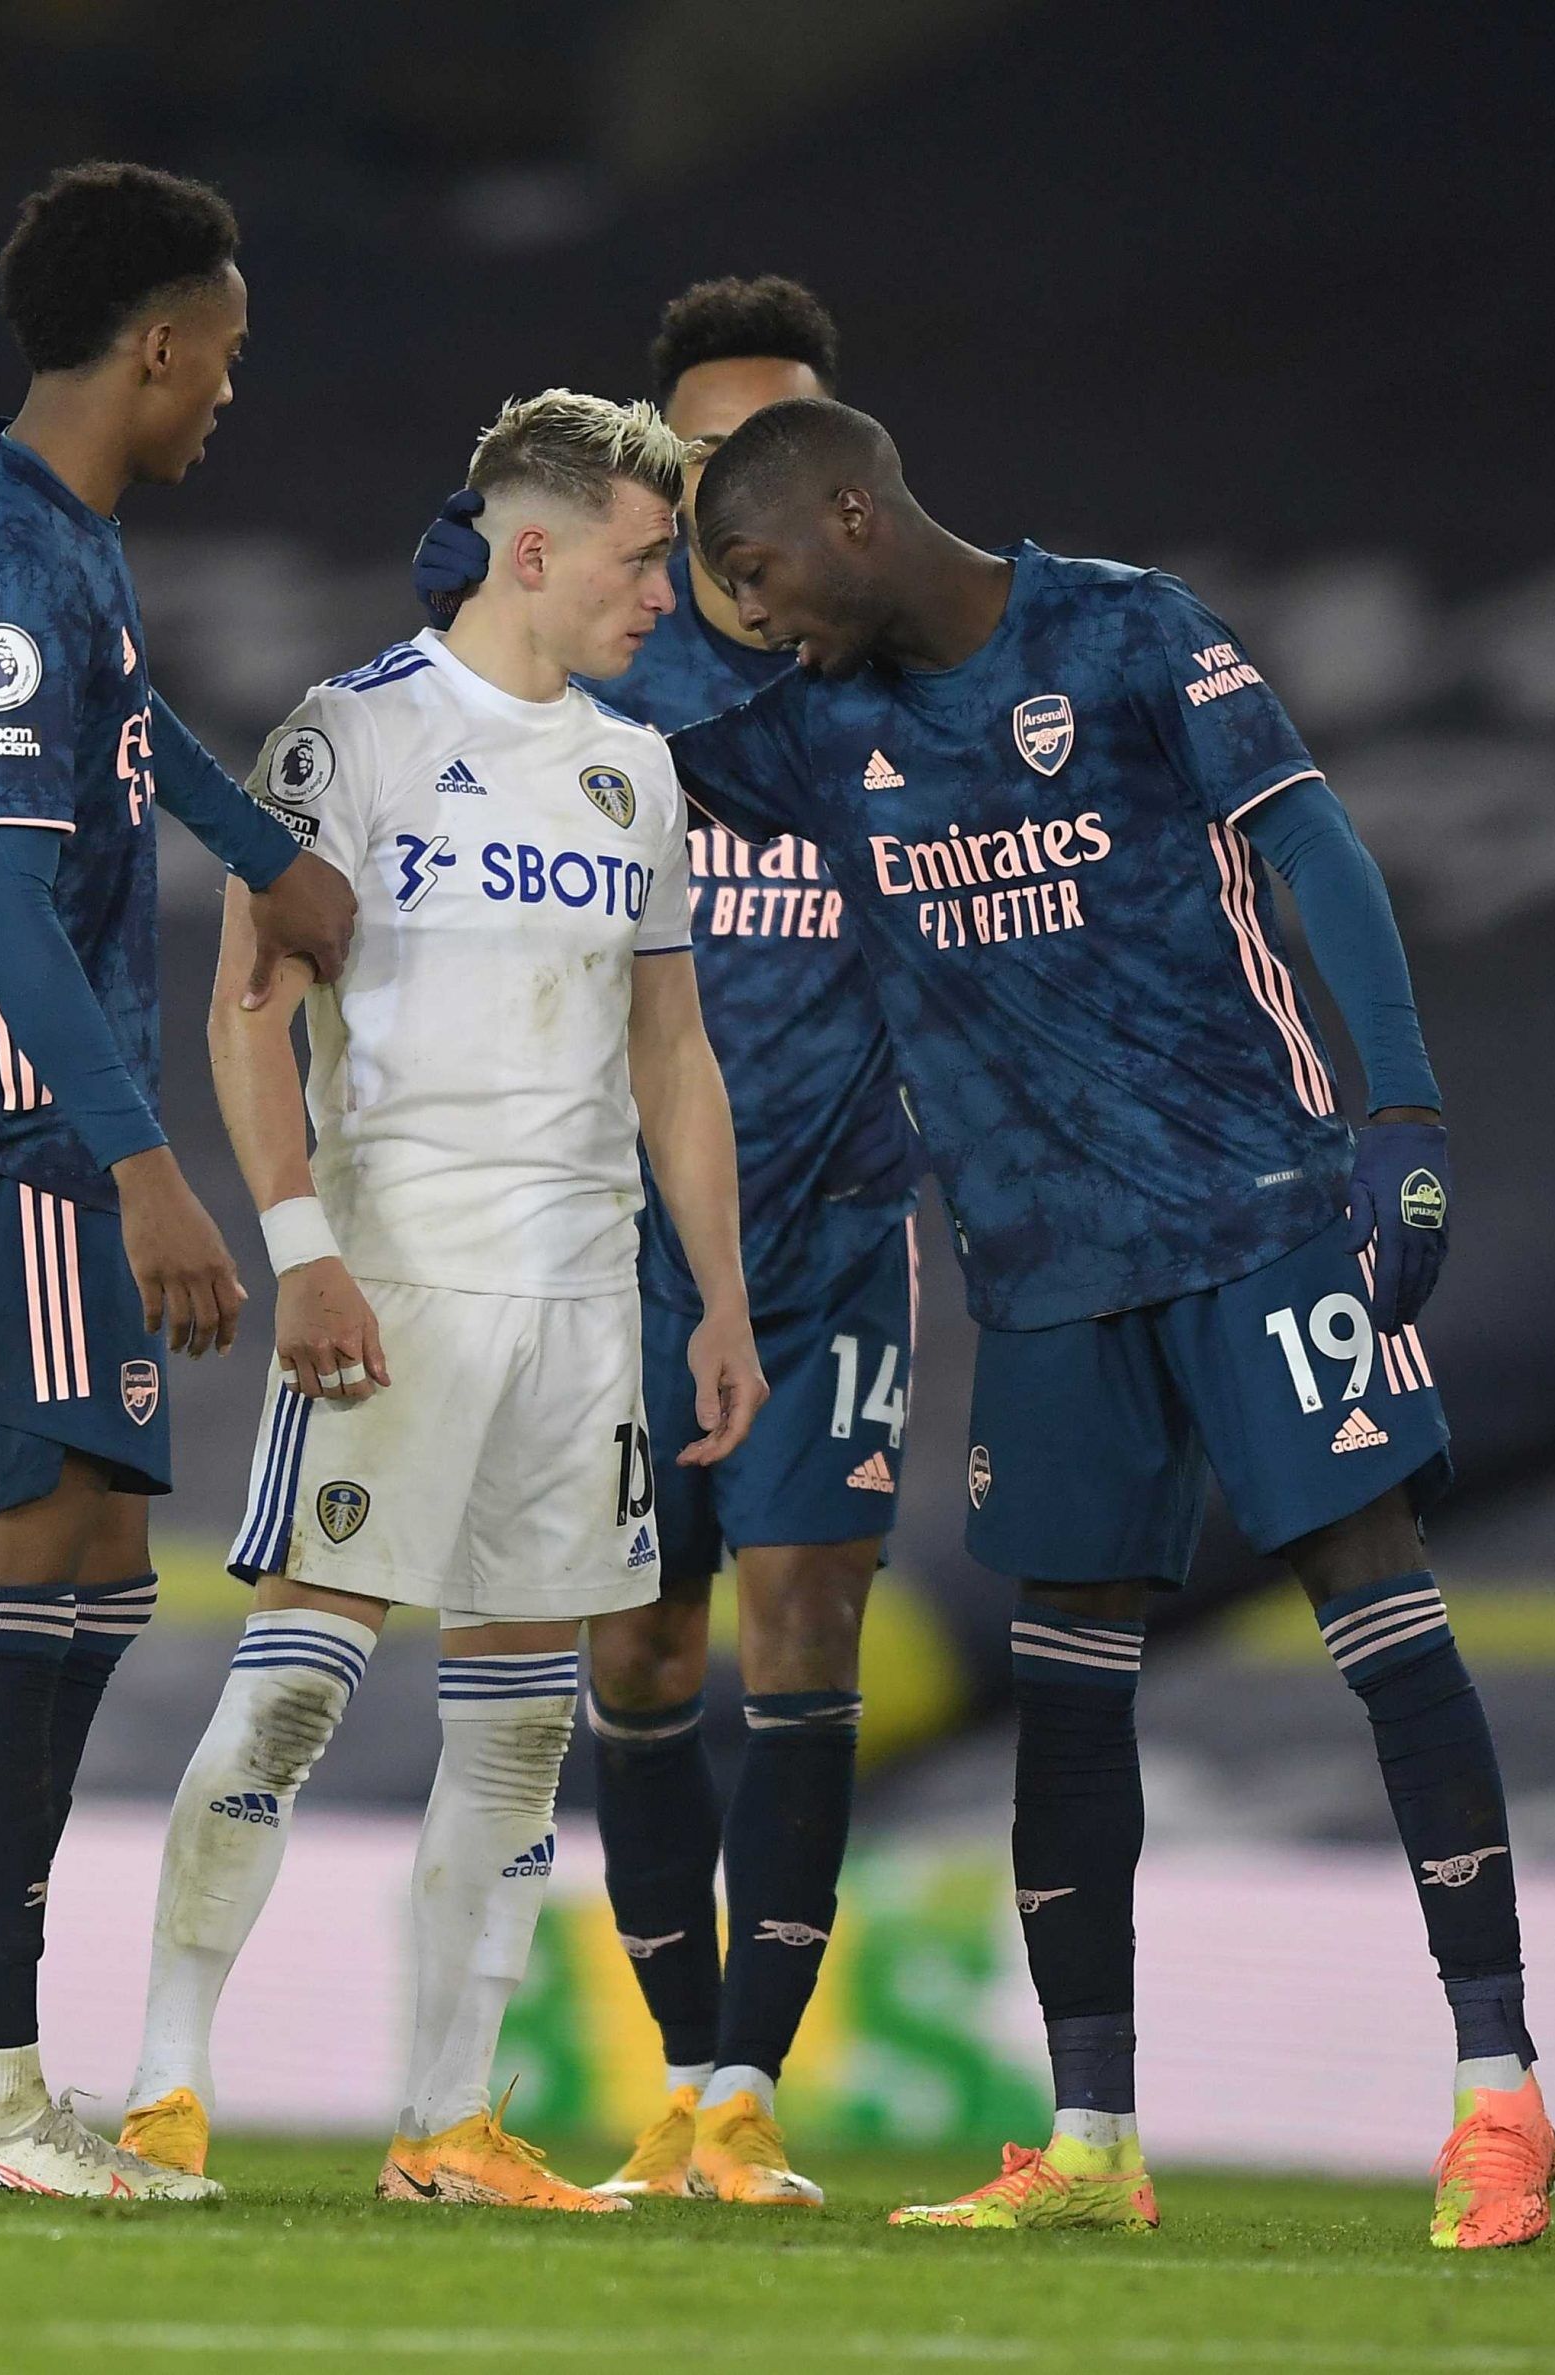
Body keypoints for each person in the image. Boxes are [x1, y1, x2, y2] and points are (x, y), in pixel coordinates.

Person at [664, 396, 1548, 2251]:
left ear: (851, 512)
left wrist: (1401, 1114)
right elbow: (581, 743)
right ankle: (1092, 2145)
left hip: (1259, 1216)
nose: (756, 618)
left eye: (757, 572)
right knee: (1068, 1687)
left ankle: (1500, 2099)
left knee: (1381, 1613)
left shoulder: (1129, 630)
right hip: (1046, 1278)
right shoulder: (812, 732)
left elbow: (1317, 853)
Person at [115, 391, 766, 2213]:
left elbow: (672, 1052)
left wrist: (717, 1296)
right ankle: (163, 2086)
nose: (668, 595)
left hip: (581, 1302)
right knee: (295, 1691)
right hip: (394, 1281)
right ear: (534, 549)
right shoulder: (354, 735)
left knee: (523, 1723)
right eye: (645, 558)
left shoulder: (638, 773)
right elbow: (249, 1007)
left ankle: (447, 2125)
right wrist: (300, 1244)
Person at [0, 161, 355, 2200]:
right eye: (221, 355)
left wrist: (264, 856)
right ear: (154, 345)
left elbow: (130, 733)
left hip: (41, 1141)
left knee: (94, 1575)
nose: (229, 389)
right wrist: (148, 1171)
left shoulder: (49, 536)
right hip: (2, 1138)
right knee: (17, 1570)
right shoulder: (0, 554)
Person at [416, 276, 919, 2208]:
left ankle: (747, 2097)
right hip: (614, 1243)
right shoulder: (602, 668)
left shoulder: (891, 672)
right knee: (635, 1644)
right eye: (707, 452)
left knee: (806, 1623)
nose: (742, 481)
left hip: (834, 1231)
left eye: (778, 442)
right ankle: (677, 2075)